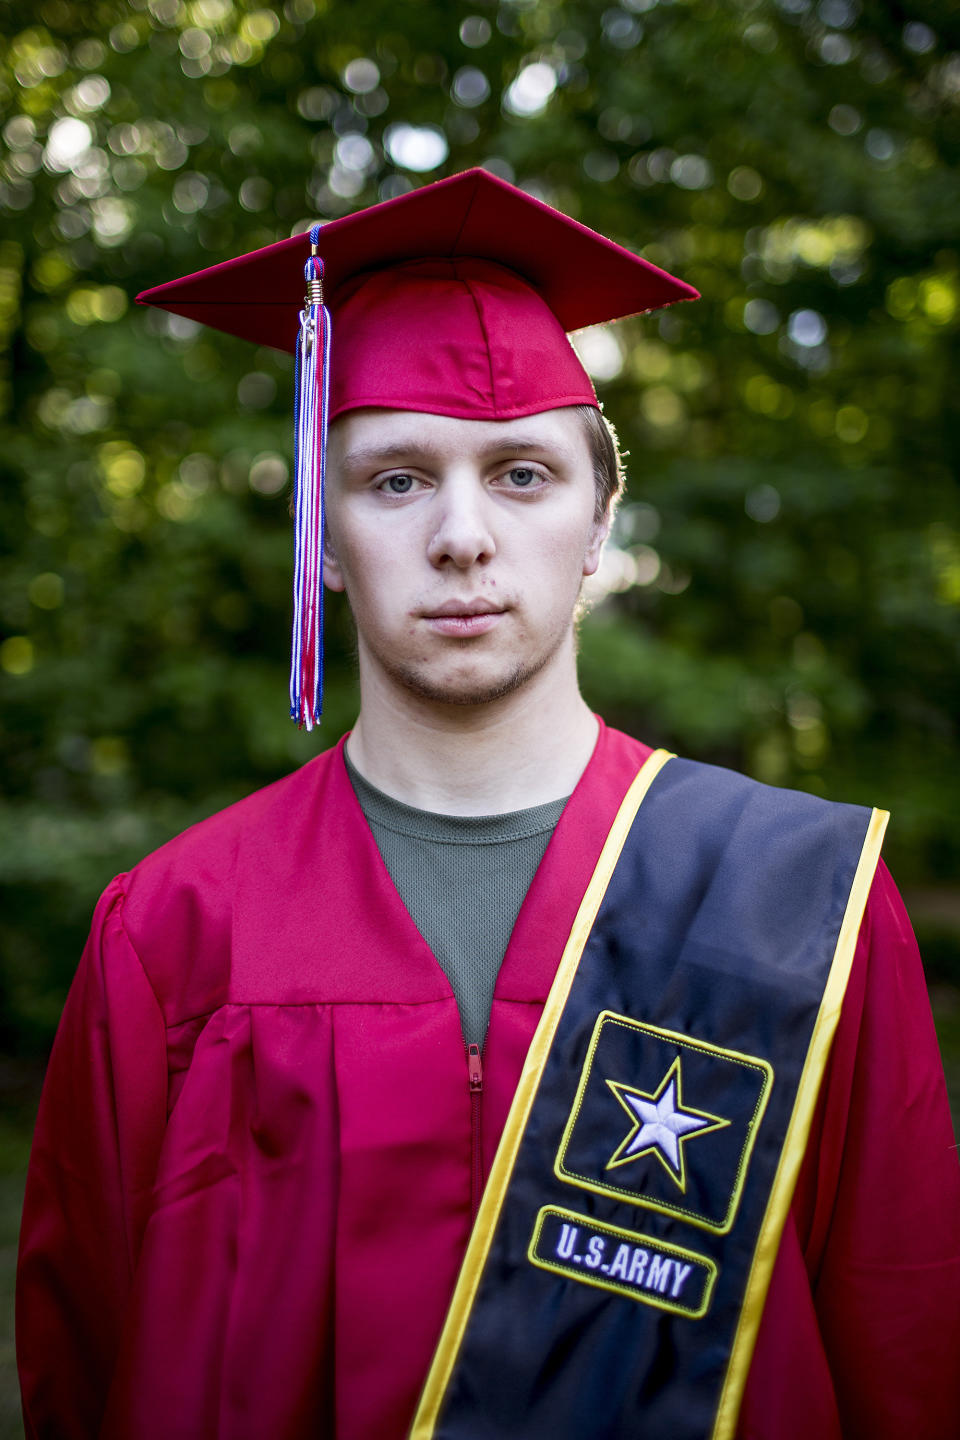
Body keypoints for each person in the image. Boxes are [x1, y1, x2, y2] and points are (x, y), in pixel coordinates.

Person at [16, 169, 960, 1440]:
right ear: (324, 539)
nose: (462, 536)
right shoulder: (176, 931)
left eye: (520, 475)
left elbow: (907, 1345)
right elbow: (85, 1363)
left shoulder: (802, 904)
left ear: (599, 524)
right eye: (395, 481)